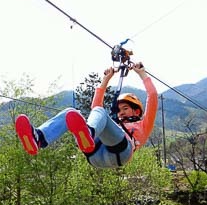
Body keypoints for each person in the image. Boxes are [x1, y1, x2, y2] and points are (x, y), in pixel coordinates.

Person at [15, 62, 158, 169]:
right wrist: (106, 79)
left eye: (125, 108)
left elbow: (152, 96)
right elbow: (95, 107)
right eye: (119, 109)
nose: (121, 112)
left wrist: (142, 74)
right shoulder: (116, 124)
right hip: (94, 155)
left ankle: (88, 133)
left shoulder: (143, 125)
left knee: (99, 111)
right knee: (70, 113)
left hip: (120, 152)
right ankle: (39, 138)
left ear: (137, 111)